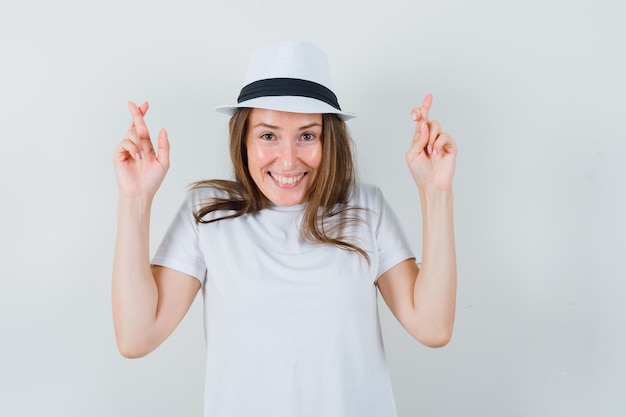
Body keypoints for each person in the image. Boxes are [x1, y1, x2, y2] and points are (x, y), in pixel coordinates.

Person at [112, 41, 457, 417]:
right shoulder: (207, 215)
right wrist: (135, 199)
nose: (288, 159)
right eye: (268, 135)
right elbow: (136, 336)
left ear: (330, 141)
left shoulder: (364, 208)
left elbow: (433, 326)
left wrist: (435, 190)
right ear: (242, 138)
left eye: (307, 135)